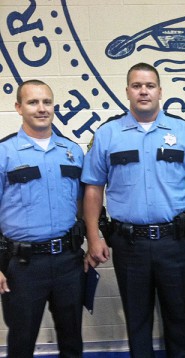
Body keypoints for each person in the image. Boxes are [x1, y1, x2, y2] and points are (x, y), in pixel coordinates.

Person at [81, 62, 185, 357]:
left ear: (160, 91)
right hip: (129, 244)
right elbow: (93, 190)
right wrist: (94, 237)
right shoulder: (108, 135)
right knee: (137, 322)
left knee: (179, 320)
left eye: (149, 85)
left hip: (176, 242)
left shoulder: (184, 133)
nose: (144, 91)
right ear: (127, 91)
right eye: (137, 86)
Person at [0, 80, 85, 357]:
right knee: (21, 342)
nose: (41, 109)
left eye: (47, 102)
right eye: (33, 102)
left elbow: (83, 203)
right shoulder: (4, 153)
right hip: (24, 266)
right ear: (18, 108)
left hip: (68, 261)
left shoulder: (72, 151)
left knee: (72, 339)